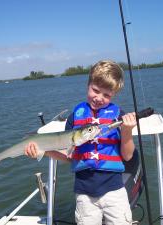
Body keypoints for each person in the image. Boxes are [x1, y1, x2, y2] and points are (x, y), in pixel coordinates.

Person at [25, 60, 137, 225]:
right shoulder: (74, 117)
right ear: (88, 84)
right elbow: (70, 156)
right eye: (95, 90)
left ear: (114, 94)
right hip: (84, 194)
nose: (99, 98)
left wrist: (127, 131)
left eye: (107, 95)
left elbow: (127, 156)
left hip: (115, 191)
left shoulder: (119, 116)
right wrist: (43, 151)